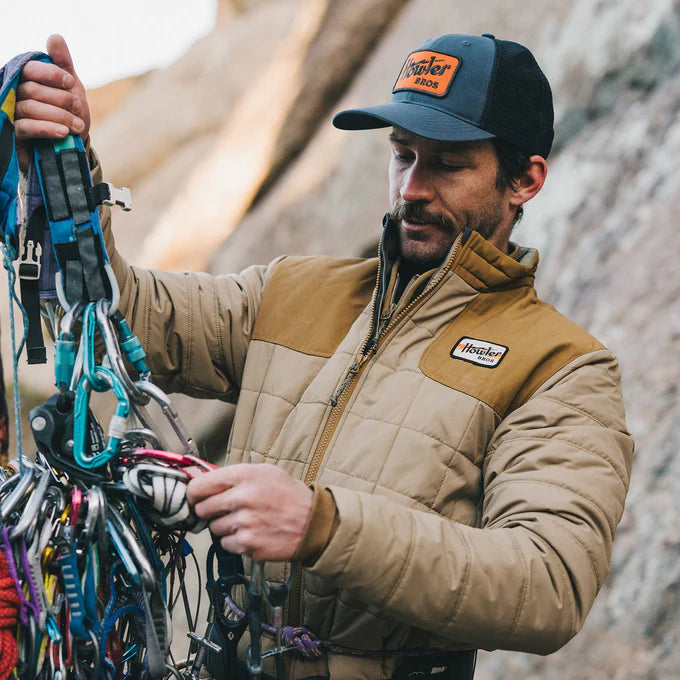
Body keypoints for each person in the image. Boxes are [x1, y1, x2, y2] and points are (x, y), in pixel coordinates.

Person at [16, 32, 633, 680]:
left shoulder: (561, 368)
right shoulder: (296, 291)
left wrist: (323, 526)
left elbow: (549, 585)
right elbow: (126, 313)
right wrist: (67, 173)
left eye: (448, 165)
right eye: (402, 156)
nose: (412, 188)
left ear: (525, 180)